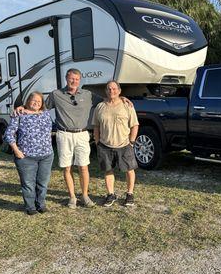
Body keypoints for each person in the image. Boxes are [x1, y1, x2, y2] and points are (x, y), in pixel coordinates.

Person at [15, 69, 133, 209]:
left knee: (83, 167)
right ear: (66, 78)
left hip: (82, 134)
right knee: (67, 167)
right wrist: (23, 107)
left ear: (80, 80)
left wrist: (123, 98)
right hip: (64, 134)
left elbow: (108, 100)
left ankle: (84, 195)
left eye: (77, 79)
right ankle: (72, 197)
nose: (74, 81)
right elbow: (40, 107)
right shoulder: (56, 94)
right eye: (71, 78)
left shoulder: (87, 94)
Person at [4, 92, 54, 215]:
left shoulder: (46, 114)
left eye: (39, 101)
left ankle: (40, 204)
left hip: (46, 155)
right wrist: (16, 151)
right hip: (26, 157)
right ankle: (30, 207)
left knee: (43, 183)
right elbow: (9, 134)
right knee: (28, 184)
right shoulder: (19, 114)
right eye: (33, 100)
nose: (36, 103)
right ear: (28, 101)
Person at [93, 81, 139, 207]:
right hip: (105, 145)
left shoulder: (127, 106)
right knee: (108, 170)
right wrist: (97, 142)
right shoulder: (100, 107)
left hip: (124, 144)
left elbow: (134, 125)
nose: (111, 91)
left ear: (119, 91)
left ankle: (129, 194)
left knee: (129, 170)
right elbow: (96, 126)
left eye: (114, 89)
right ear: (106, 91)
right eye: (109, 89)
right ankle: (110, 194)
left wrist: (132, 141)